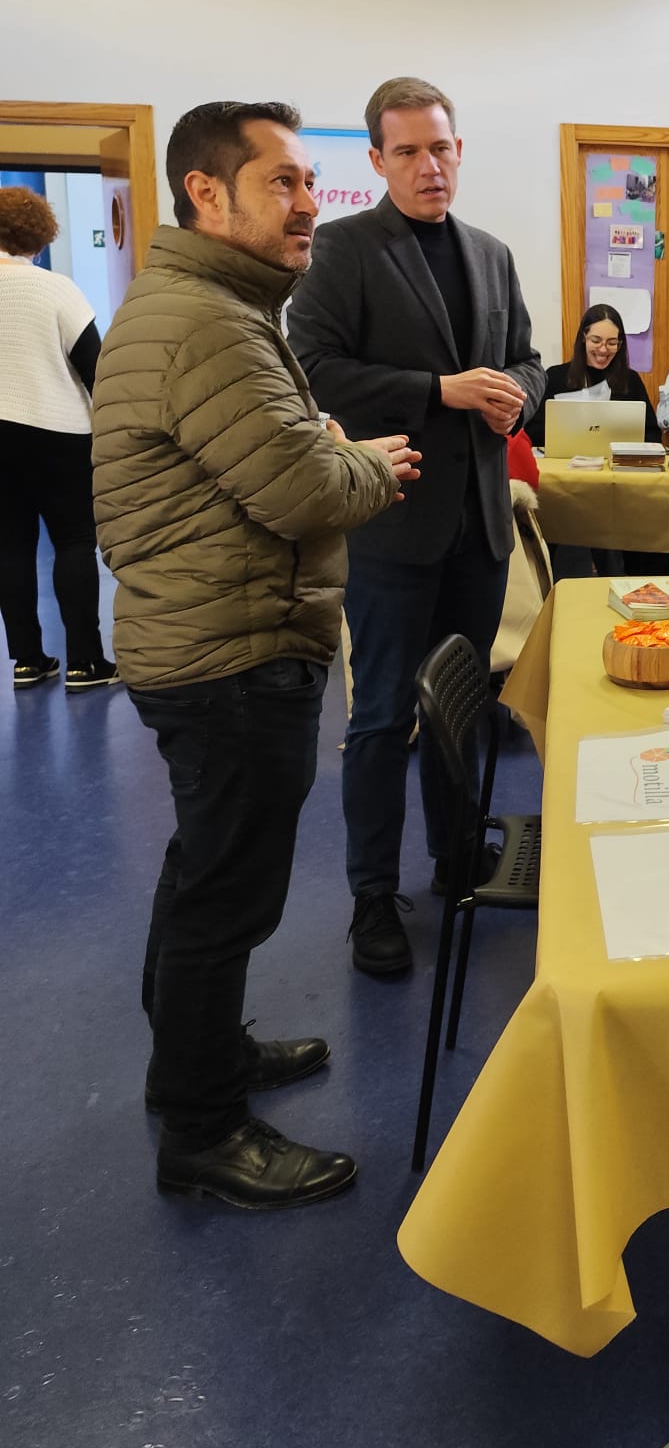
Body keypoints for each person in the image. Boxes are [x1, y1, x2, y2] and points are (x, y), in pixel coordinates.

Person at [92, 101, 418, 1208]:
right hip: (230, 651)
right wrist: (370, 470)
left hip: (210, 638)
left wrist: (330, 452)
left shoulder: (210, 306)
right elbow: (300, 485)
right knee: (225, 894)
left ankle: (199, 1062)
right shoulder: (210, 324)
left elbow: (290, 454)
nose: (307, 202)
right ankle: (202, 1132)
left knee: (202, 874)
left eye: (306, 182)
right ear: (206, 194)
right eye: (281, 182)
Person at [287, 77, 544, 978]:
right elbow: (313, 368)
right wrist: (440, 391)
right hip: (392, 524)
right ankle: (371, 899)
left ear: (459, 150)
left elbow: (525, 362)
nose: (428, 165)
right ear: (377, 161)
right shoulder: (343, 253)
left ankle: (453, 856)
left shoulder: (492, 252)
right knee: (384, 716)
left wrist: (519, 397)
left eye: (441, 147)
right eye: (407, 152)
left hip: (478, 528)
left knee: (461, 713)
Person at [0, 187, 116, 691]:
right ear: (39, 237)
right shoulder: (55, 288)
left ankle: (27, 660)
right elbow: (97, 369)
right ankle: (85, 663)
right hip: (60, 434)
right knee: (73, 543)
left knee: (10, 548)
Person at [523, 301, 660, 446]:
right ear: (584, 337)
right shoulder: (555, 377)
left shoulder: (630, 381)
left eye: (612, 343)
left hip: (615, 465)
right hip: (565, 463)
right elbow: (531, 433)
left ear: (620, 344)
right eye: (596, 340)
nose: (603, 349)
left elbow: (652, 435)